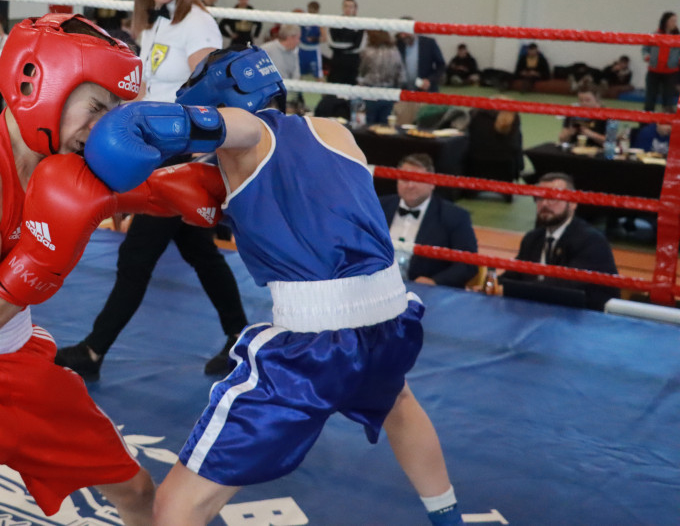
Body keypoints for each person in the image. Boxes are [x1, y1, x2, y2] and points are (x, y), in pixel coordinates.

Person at [83, 46, 465, 526]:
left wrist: (136, 126)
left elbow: (233, 126)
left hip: (315, 345)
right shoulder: (337, 133)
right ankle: (448, 518)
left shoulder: (249, 133)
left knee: (178, 504)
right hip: (390, 324)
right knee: (399, 404)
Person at [0, 12, 230, 524]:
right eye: (94, 108)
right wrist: (44, 255)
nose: (100, 128)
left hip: (21, 362)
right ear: (41, 85)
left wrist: (180, 190)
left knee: (135, 489)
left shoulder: (59, 155)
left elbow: (121, 191)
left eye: (112, 112)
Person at [55, 0, 248, 382]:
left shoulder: (196, 22)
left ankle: (94, 350)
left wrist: (187, 158)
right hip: (158, 152)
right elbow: (145, 90)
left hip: (180, 157)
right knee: (201, 253)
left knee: (137, 257)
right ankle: (240, 336)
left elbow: (208, 92)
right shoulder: (157, 23)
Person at [491, 172, 618, 311]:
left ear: (573, 203)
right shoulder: (532, 239)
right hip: (544, 313)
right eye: (539, 198)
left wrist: (513, 291)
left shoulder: (592, 242)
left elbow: (562, 287)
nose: (544, 204)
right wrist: (492, 285)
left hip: (586, 320)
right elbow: (514, 275)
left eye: (553, 198)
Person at [380, 153, 478, 288]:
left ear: (432, 182)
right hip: (377, 288)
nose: (410, 185)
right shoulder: (379, 206)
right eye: (404, 179)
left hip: (426, 295)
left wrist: (435, 282)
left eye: (417, 179)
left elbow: (468, 265)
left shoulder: (455, 216)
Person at [464, 96, 523, 197]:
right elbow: (516, 146)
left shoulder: (474, 114)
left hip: (475, 162)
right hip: (505, 166)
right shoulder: (514, 117)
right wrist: (520, 168)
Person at [358, 29, 405, 124]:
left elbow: (362, 72)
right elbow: (401, 76)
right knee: (384, 123)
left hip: (370, 91)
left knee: (369, 122)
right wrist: (397, 91)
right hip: (388, 91)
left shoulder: (368, 52)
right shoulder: (394, 51)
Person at [641, 12, 680, 112]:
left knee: (668, 99)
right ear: (665, 21)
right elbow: (645, 49)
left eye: (675, 21)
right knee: (650, 98)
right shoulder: (654, 35)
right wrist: (648, 58)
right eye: (672, 20)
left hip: (671, 72)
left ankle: (667, 125)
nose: (674, 23)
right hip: (654, 71)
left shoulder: (677, 37)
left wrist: (678, 60)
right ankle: (646, 124)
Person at [397, 19, 445, 93]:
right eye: (401, 32)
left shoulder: (429, 43)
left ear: (414, 30)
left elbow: (441, 65)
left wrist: (429, 80)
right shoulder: (398, 45)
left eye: (406, 31)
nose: (403, 35)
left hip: (426, 91)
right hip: (404, 92)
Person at [297, 0, 324, 79]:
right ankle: (298, 91)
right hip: (301, 50)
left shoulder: (320, 21)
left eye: (313, 10)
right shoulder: (302, 19)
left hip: (313, 51)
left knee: (318, 76)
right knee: (298, 74)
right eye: (310, 9)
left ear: (317, 10)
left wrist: (314, 39)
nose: (311, 11)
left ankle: (324, 90)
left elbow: (324, 38)